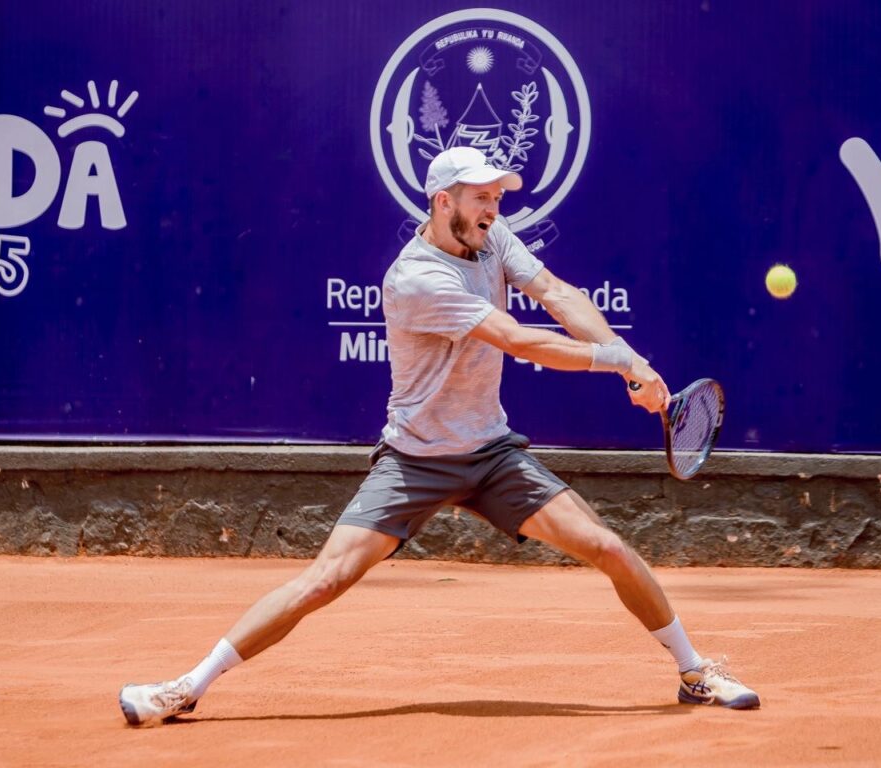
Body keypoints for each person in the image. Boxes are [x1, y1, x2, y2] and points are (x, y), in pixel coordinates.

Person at [119, 147, 760, 725]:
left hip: (491, 453)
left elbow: (557, 295)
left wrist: (631, 360)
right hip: (415, 460)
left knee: (607, 546)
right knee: (325, 580)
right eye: (481, 196)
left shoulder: (492, 237)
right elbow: (516, 338)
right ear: (442, 201)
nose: (493, 208)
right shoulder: (416, 278)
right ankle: (187, 686)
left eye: (497, 196)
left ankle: (694, 671)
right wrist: (615, 362)